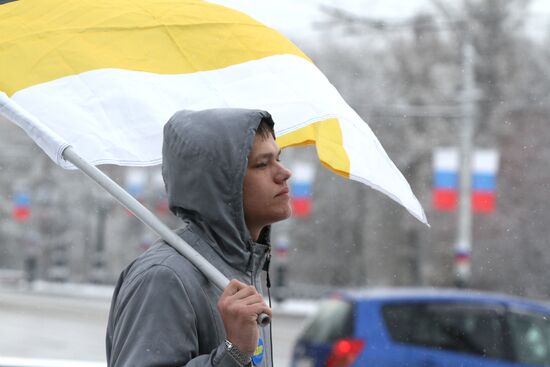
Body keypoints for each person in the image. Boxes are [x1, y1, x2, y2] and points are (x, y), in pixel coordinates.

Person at [106, 108, 292, 367]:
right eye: (262, 164)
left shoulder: (239, 268)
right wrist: (234, 352)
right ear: (219, 184)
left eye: (278, 158)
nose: (284, 173)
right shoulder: (163, 277)